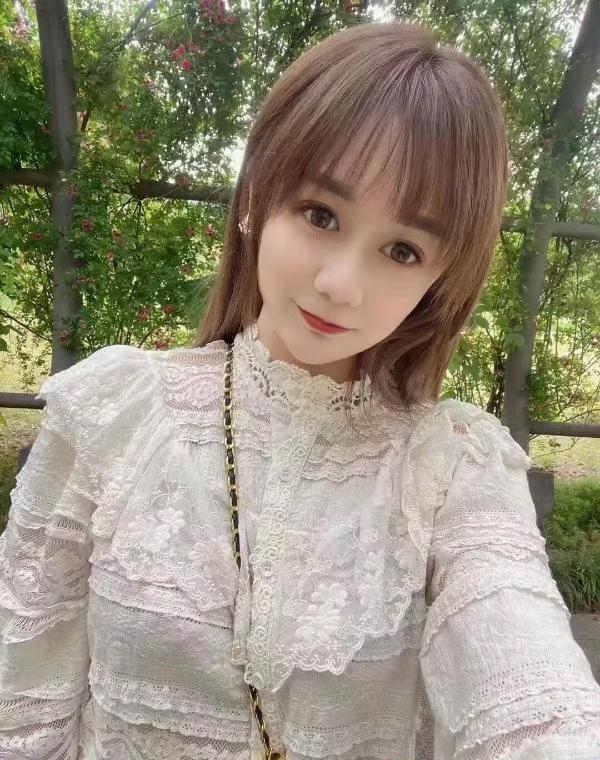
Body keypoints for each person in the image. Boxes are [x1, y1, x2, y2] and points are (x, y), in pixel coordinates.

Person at [1, 19, 599, 760]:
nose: (340, 283)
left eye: (402, 249)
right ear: (257, 196)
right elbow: (22, 707)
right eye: (321, 215)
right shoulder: (115, 416)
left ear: (437, 279)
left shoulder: (451, 466)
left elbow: (526, 680)